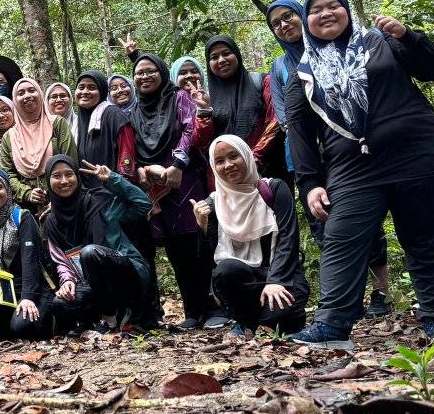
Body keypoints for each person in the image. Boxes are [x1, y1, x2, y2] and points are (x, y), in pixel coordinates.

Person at [287, 0, 434, 348]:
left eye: (333, 5)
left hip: (418, 156)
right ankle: (333, 325)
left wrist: (408, 36)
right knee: (342, 239)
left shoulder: (380, 41)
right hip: (352, 169)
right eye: (316, 10)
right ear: (306, 22)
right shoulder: (302, 75)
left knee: (425, 240)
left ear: (346, 10)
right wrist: (310, 184)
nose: (326, 13)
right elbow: (300, 135)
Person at [268, 0, 391, 317]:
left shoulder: (335, 46)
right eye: (276, 23)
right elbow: (285, 117)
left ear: (302, 16)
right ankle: (347, 299)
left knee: (367, 221)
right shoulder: (279, 67)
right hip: (304, 159)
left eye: (288, 17)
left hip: (346, 151)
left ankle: (381, 294)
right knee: (323, 225)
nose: (284, 25)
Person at [130, 53, 216, 330]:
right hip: (155, 184)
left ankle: (212, 306)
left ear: (163, 72)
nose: (144, 77)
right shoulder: (135, 108)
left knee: (197, 240)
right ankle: (192, 311)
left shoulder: (178, 97)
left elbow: (191, 128)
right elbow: (135, 143)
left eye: (150, 71)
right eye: (139, 72)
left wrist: (178, 163)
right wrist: (142, 169)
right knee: (175, 247)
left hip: (184, 176)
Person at [194, 135, 308, 339]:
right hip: (246, 282)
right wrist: (202, 226)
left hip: (281, 276)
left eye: (233, 156)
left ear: (246, 155)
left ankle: (263, 323)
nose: (228, 165)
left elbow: (288, 239)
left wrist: (276, 281)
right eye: (219, 161)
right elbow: (207, 261)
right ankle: (244, 321)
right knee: (225, 270)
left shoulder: (274, 189)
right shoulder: (213, 203)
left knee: (283, 315)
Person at [43, 156, 151, 331]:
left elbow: (144, 204)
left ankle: (115, 317)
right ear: (48, 181)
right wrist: (67, 282)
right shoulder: (52, 222)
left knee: (90, 253)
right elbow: (62, 261)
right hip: (91, 283)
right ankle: (99, 320)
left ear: (77, 177)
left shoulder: (101, 202)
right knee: (60, 302)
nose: (64, 181)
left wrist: (113, 179)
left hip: (128, 273)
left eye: (69, 174)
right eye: (56, 176)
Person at [0, 168, 54, 340]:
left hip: (32, 288)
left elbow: (30, 260)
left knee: (22, 326)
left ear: (8, 190)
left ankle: (45, 321)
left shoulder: (22, 217)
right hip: (3, 289)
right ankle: (1, 330)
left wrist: (28, 298)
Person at [190, 36, 285, 180]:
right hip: (226, 177)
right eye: (214, 57)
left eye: (226, 53)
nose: (221, 60)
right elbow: (201, 143)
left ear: (237, 54)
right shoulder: (208, 98)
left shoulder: (262, 82)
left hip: (267, 170)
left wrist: (253, 158)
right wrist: (204, 111)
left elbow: (276, 120)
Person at [0, 77, 76, 210]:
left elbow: (71, 161)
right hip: (26, 209)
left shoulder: (57, 124)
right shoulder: (9, 137)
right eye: (21, 93)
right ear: (14, 100)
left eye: (31, 90)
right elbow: (7, 175)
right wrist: (27, 193)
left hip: (62, 201)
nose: (27, 96)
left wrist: (57, 199)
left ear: (40, 94)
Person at [73, 71, 137, 187]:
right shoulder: (80, 119)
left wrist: (122, 185)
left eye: (92, 88)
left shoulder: (115, 116)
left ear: (102, 92)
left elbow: (127, 159)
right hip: (87, 194)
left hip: (113, 192)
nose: (85, 92)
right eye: (81, 87)